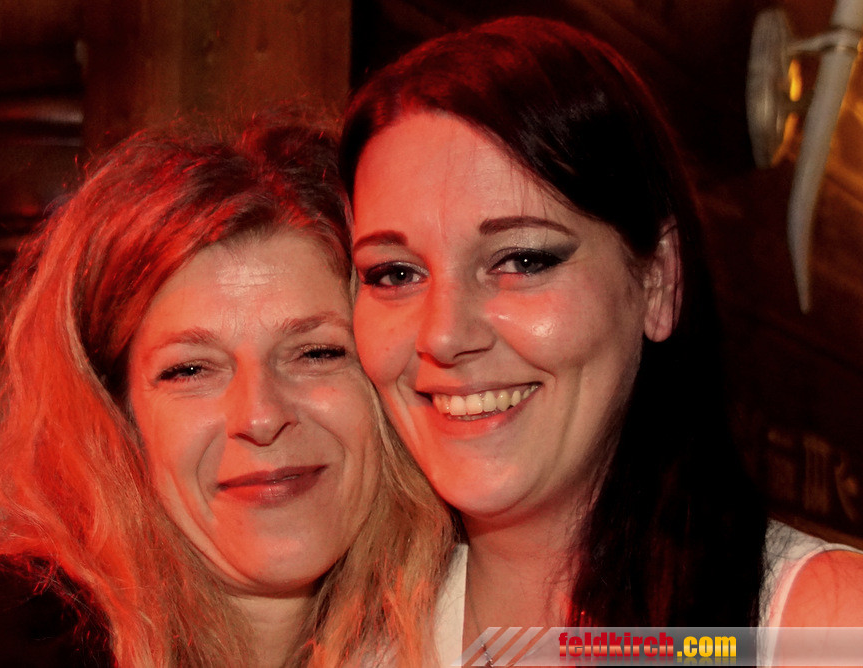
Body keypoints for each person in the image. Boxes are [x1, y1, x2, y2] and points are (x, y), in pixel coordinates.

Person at [338, 15, 863, 665]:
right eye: (395, 273)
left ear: (658, 281)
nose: (443, 335)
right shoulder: (353, 646)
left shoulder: (822, 631)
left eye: (522, 260)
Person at [0, 114, 452, 667]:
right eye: (190, 370)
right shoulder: (12, 637)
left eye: (317, 353)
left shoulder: (460, 624)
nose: (261, 415)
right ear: (116, 414)